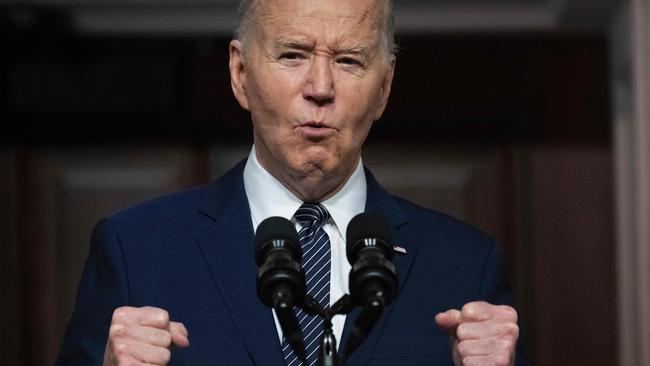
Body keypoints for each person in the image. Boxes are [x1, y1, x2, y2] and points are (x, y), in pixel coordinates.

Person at [56, 0, 530, 365]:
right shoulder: (137, 251)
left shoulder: (466, 268)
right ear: (240, 74)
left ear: (384, 88)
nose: (320, 87)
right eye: (293, 55)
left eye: (348, 60)